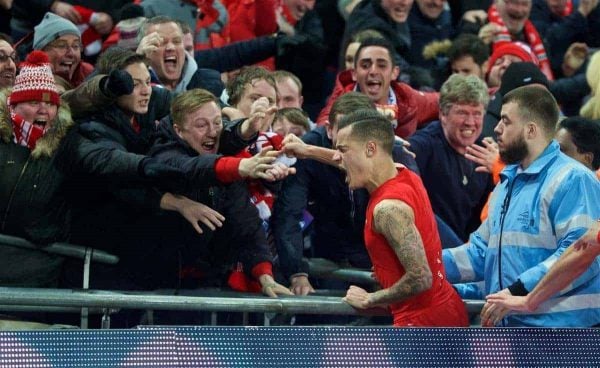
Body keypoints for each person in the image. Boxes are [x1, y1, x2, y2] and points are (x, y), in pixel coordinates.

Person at [443, 85, 600, 327]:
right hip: (513, 328)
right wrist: (427, 268)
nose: (496, 128)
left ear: (530, 130)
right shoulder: (507, 183)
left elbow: (582, 255)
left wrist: (518, 290)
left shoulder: (573, 178)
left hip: (564, 334)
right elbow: (479, 254)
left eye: (506, 121)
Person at [148, 88, 293, 297]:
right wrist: (241, 166)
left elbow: (246, 225)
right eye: (201, 125)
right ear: (179, 131)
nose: (213, 132)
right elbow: (192, 167)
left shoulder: (224, 164)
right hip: (154, 287)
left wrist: (265, 277)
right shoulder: (164, 153)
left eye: (217, 123)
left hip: (206, 282)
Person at [333, 109, 469, 327]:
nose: (336, 157)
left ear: (370, 149)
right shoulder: (405, 174)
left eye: (342, 150)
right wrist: (307, 151)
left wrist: (370, 299)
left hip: (422, 325)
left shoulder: (388, 210)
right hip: (443, 312)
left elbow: (421, 278)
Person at [0, 50, 72, 287]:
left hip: (37, 274)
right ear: (14, 106)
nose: (44, 110)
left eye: (50, 104)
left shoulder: (66, 146)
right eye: (33, 102)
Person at [408, 74, 493, 242]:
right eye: (462, 112)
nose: (470, 122)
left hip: (470, 252)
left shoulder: (487, 152)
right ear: (443, 114)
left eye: (477, 114)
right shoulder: (424, 145)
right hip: (429, 249)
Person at [317, 37, 439, 139]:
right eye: (365, 65)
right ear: (354, 73)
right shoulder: (340, 104)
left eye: (382, 65)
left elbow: (444, 100)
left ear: (394, 73)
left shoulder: (408, 99)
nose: (373, 71)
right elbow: (321, 133)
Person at [32, 12, 94, 89]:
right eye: (61, 46)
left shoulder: (88, 74)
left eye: (76, 46)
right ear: (40, 52)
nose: (71, 53)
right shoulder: (27, 81)